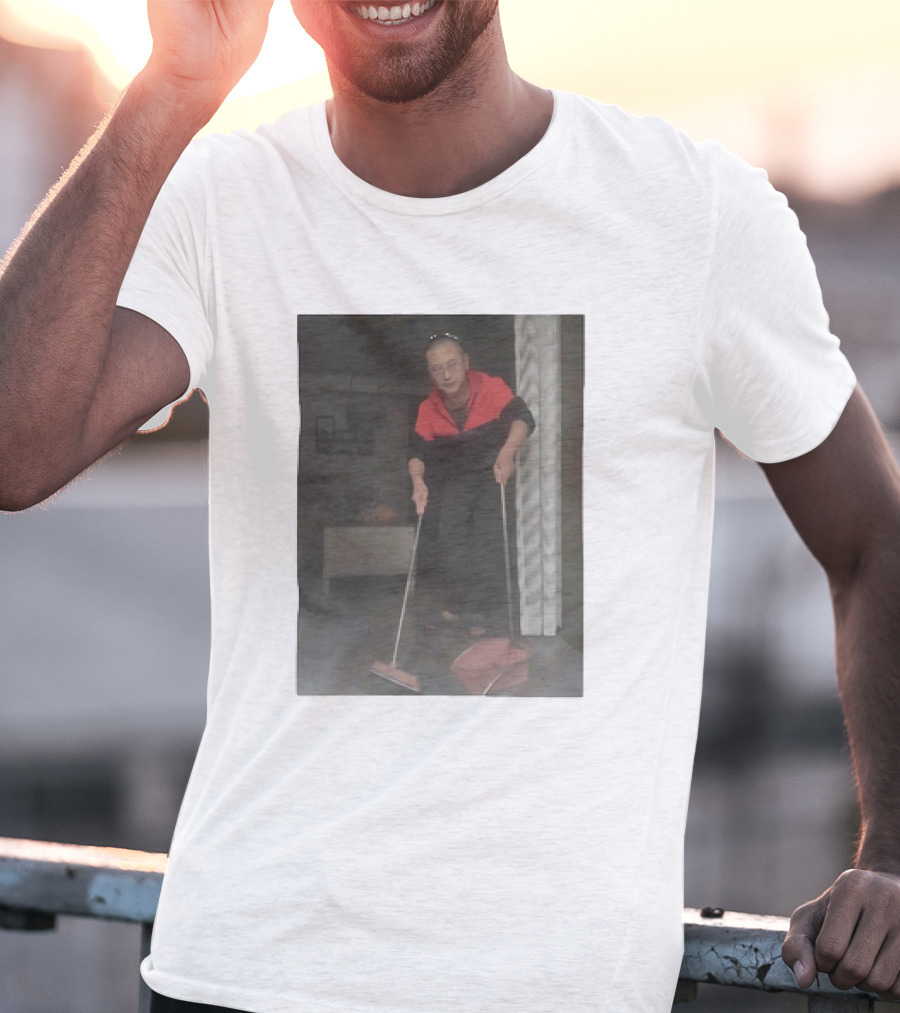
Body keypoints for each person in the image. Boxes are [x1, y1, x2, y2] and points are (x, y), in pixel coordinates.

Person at [1, 1, 900, 1010]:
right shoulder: (221, 198)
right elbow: (14, 447)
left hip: (555, 986)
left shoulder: (692, 213)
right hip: (241, 970)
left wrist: (894, 852)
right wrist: (170, 91)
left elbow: (876, 537)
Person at [409, 332, 534, 637]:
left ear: (465, 362)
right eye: (437, 369)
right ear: (430, 371)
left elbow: (523, 420)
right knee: (450, 540)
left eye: (452, 365)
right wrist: (417, 481)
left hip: (492, 474)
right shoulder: (429, 406)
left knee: (487, 543)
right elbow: (417, 453)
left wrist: (507, 454)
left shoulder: (490, 387)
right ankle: (461, 609)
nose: (447, 375)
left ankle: (490, 620)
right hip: (456, 479)